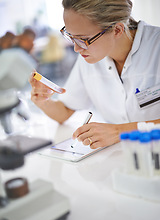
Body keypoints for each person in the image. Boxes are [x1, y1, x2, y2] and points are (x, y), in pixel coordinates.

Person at [29, 0, 160, 149]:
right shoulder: (89, 56)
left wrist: (119, 131)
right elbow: (64, 112)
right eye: (71, 36)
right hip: (120, 159)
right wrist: (43, 100)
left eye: (83, 39)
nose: (76, 49)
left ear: (117, 30)